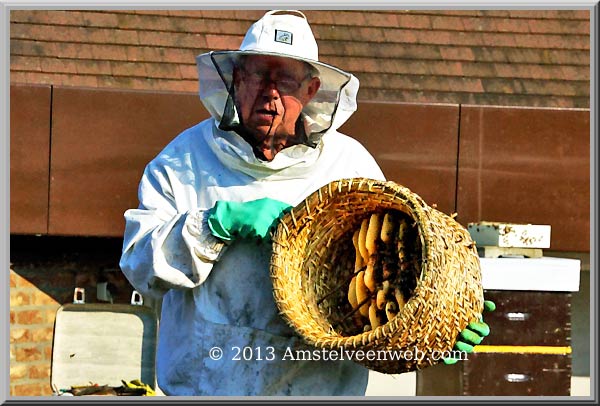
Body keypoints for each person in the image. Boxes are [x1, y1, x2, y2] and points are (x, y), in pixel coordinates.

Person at [119, 10, 492, 396]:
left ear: (311, 90)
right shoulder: (185, 162)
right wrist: (213, 223)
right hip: (207, 386)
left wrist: (440, 318)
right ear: (236, 79)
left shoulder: (349, 166)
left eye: (285, 79)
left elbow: (388, 267)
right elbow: (138, 263)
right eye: (257, 75)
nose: (270, 91)